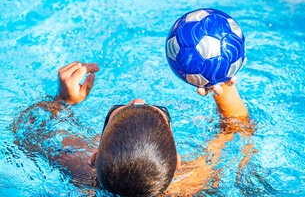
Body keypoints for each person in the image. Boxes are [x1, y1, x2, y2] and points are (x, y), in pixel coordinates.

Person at [12, 61, 256, 196]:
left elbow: (27, 129)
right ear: (178, 163)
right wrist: (222, 84)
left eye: (118, 109)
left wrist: (62, 101)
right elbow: (238, 129)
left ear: (94, 159)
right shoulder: (190, 181)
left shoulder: (78, 168)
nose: (138, 99)